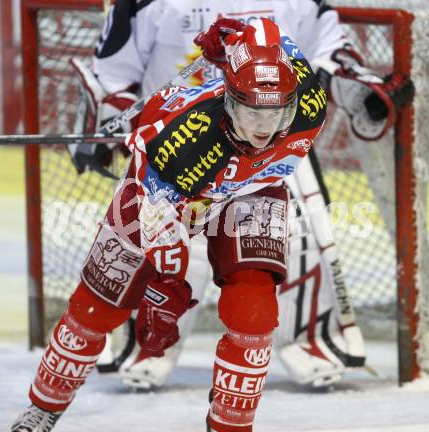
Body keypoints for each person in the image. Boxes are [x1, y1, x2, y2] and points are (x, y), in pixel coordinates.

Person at [70, 0, 412, 391]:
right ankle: (147, 349)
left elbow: (328, 52)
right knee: (162, 247)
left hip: (271, 144)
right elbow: (112, 72)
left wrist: (358, 86)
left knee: (293, 242)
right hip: (180, 148)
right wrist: (116, 123)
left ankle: (310, 343)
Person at [11, 16, 327, 432]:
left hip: (253, 189)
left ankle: (230, 427)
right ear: (230, 100)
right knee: (96, 307)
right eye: (252, 114)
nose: (264, 131)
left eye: (276, 114)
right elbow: (160, 222)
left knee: (253, 315)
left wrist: (232, 38)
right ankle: (43, 408)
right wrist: (169, 285)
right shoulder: (179, 144)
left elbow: (271, 35)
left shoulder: (309, 102)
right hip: (159, 197)